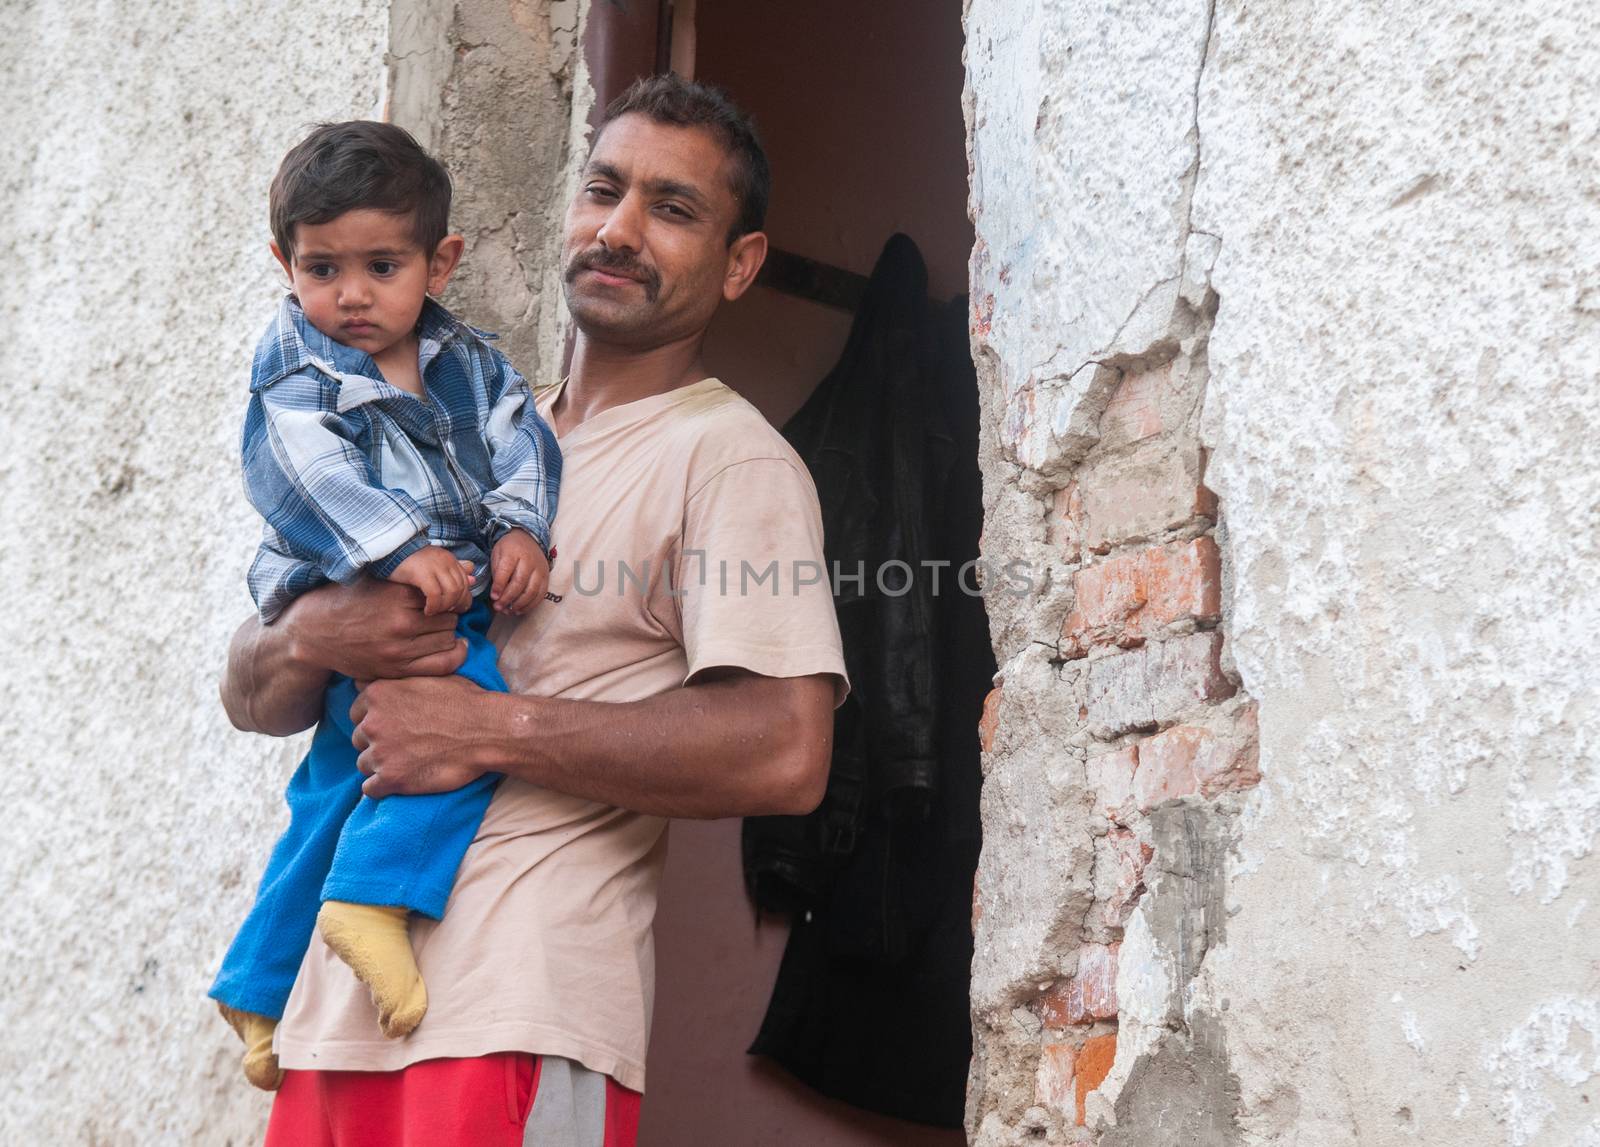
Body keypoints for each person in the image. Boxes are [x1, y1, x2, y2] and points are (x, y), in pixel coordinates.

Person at [218, 76, 847, 1147]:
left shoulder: (729, 458)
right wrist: (314, 633)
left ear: (740, 263)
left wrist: (485, 728)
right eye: (603, 188)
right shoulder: (460, 425)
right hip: (332, 1022)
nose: (619, 228)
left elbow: (786, 751)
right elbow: (252, 691)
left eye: (674, 208)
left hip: (515, 1011)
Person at [208, 121, 561, 1092]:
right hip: (351, 584)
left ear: (438, 261)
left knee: (330, 788)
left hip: (438, 571)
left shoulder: (473, 363)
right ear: (284, 262)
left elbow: (520, 439)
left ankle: (257, 979)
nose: (351, 295)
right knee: (460, 693)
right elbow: (299, 472)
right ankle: (374, 897)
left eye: (381, 265)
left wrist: (522, 529)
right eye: (321, 268)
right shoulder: (294, 366)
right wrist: (397, 549)